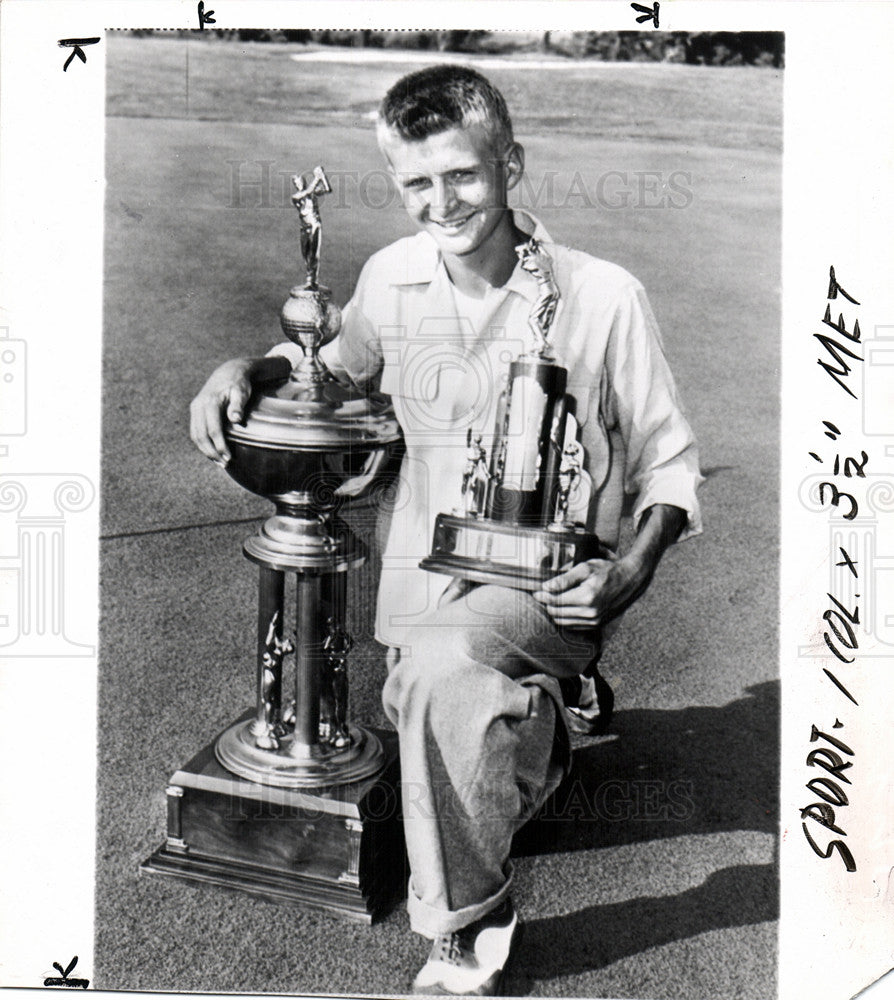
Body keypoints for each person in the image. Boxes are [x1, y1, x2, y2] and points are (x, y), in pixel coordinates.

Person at [190, 65, 702, 996]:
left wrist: (626, 574)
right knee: (435, 710)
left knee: (438, 682)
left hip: (554, 584)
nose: (443, 202)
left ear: (511, 162)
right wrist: (244, 366)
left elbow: (670, 461)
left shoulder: (603, 295)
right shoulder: (391, 274)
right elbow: (330, 367)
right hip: (421, 588)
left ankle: (467, 925)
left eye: (463, 175)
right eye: (417, 183)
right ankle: (542, 715)